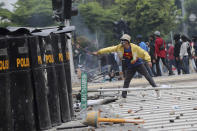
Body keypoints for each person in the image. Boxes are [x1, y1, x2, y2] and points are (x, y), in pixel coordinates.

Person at [92, 34, 160, 98]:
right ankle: (123, 97)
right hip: (130, 66)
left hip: (138, 64)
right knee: (126, 81)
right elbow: (109, 49)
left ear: (127, 42)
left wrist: (148, 60)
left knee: (148, 76)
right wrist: (99, 52)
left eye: (123, 40)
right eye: (121, 40)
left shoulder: (134, 47)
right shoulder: (119, 47)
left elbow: (144, 53)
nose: (122, 42)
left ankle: (157, 90)